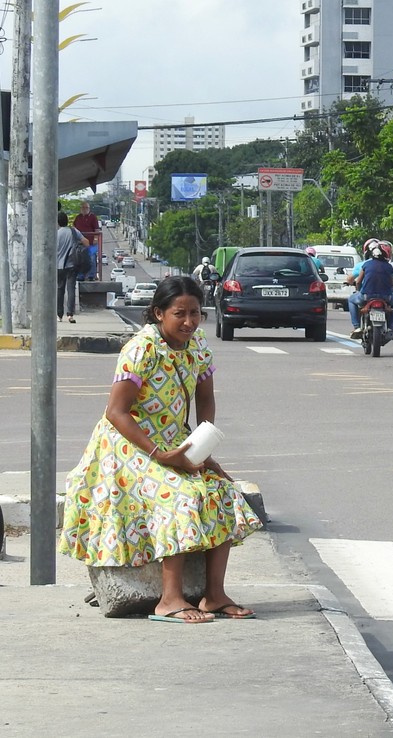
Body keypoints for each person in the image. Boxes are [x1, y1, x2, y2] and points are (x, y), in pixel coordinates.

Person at [58, 276, 263, 623]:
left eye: (195, 313)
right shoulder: (141, 349)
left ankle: (214, 595)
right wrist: (158, 455)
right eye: (179, 313)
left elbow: (206, 398)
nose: (188, 322)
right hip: (126, 447)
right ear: (158, 313)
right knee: (179, 494)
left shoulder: (197, 346)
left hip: (174, 442)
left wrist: (201, 446)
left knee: (223, 491)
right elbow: (116, 412)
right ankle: (170, 599)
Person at [349, 241, 393, 338]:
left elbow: (358, 281)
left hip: (366, 296)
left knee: (351, 300)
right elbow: (391, 282)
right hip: (386, 297)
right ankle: (391, 328)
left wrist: (359, 291)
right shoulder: (389, 267)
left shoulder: (366, 265)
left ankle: (356, 327)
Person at [56, 211, 88, 323]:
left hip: (59, 266)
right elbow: (86, 242)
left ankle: (59, 315)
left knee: (60, 290)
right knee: (70, 289)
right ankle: (70, 315)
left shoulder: (56, 233)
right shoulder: (73, 231)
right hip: (72, 265)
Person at [73, 201, 101, 281]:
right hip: (80, 243)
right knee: (79, 259)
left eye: (86, 208)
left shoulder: (93, 217)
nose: (84, 209)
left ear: (89, 208)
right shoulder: (78, 217)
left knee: (92, 258)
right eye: (83, 208)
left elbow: (96, 230)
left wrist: (95, 239)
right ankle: (81, 275)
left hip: (92, 243)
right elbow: (74, 228)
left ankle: (91, 275)